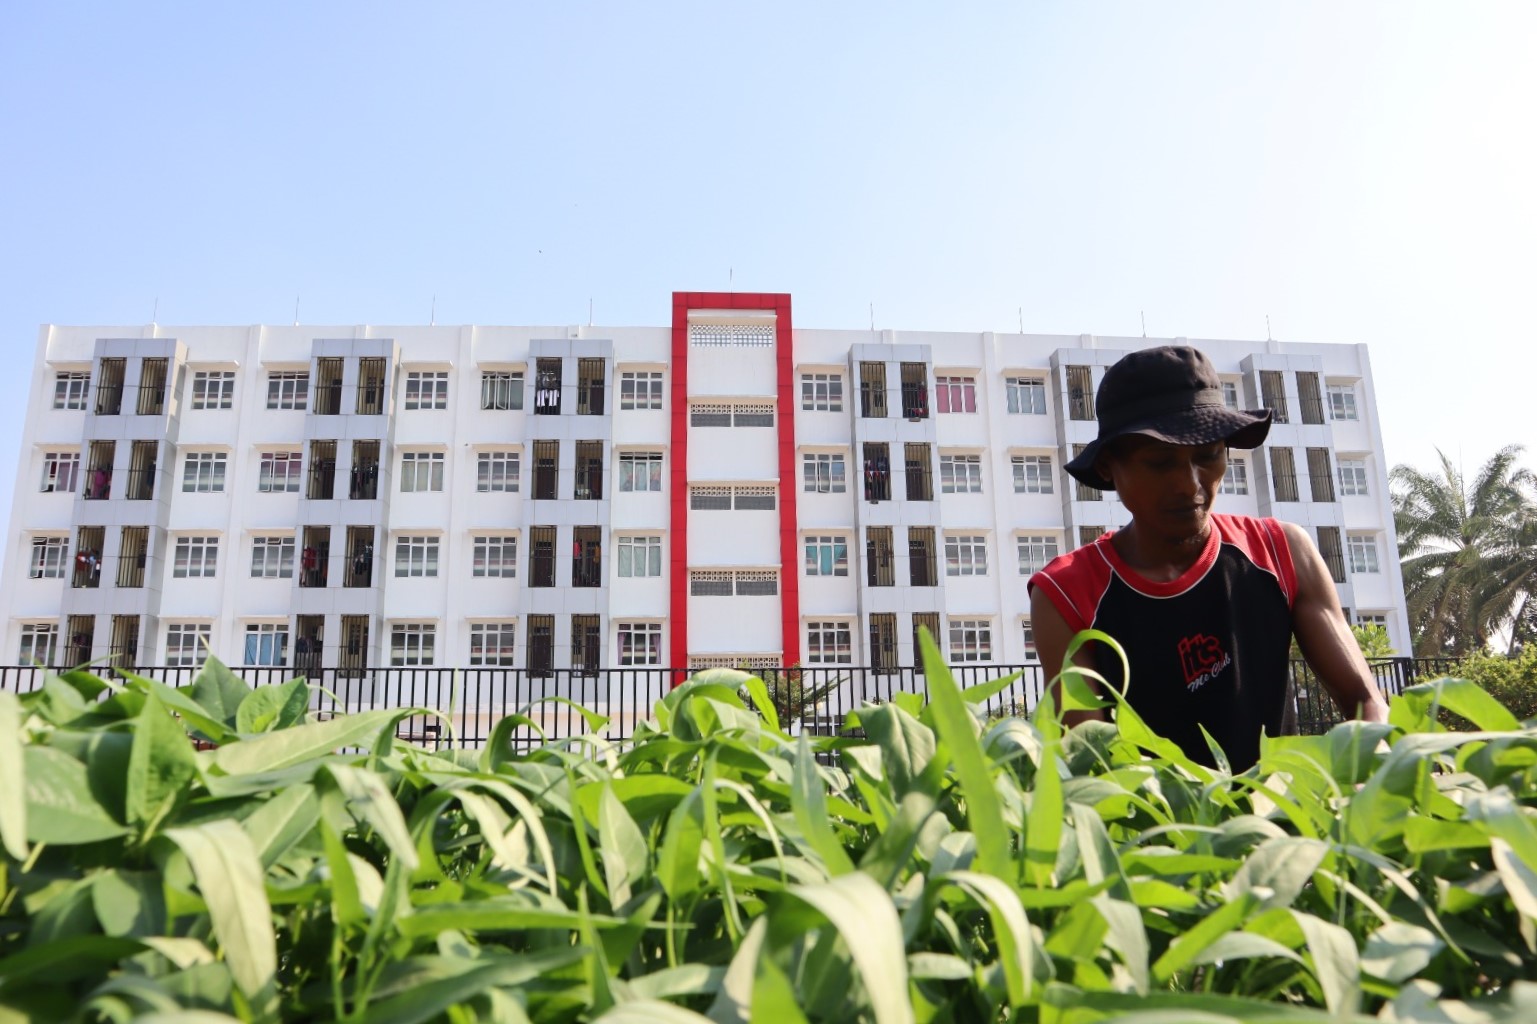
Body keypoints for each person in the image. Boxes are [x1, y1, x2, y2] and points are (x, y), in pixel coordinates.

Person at [1028, 346, 1388, 771]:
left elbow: (1365, 701)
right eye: (1161, 463)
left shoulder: (1280, 551)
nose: (1190, 483)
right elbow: (1092, 760)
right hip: (1160, 830)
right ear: (1108, 466)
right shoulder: (1067, 593)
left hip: (1281, 820)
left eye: (1208, 455)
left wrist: (1374, 780)